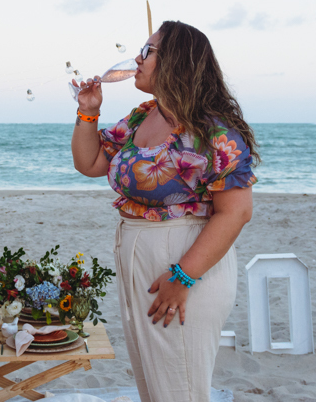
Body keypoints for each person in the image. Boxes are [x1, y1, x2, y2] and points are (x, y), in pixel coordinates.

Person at [71, 20, 258, 402]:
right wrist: (88, 113)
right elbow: (89, 162)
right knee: (156, 390)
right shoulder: (143, 115)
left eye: (149, 50)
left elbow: (235, 213)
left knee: (181, 388)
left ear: (175, 61)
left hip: (183, 263)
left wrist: (182, 277)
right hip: (139, 260)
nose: (137, 59)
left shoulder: (213, 131)